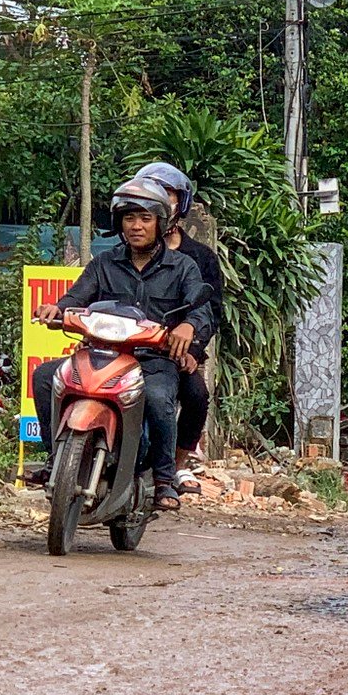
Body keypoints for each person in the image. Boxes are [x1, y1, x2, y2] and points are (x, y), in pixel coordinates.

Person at [31, 177, 207, 511]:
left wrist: (187, 326)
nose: (137, 226)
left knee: (157, 397)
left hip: (153, 361)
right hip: (100, 355)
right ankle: (57, 459)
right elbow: (76, 297)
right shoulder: (103, 264)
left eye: (145, 218)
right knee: (45, 377)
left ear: (161, 222)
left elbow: (201, 311)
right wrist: (58, 309)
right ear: (119, 223)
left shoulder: (183, 267)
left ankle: (165, 479)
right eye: (129, 218)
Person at [135, 161, 225, 491]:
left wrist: (193, 346)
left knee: (196, 395)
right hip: (129, 346)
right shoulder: (125, 252)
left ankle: (174, 465)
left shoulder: (199, 258)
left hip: (178, 352)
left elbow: (210, 309)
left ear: (181, 203)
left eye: (168, 193)